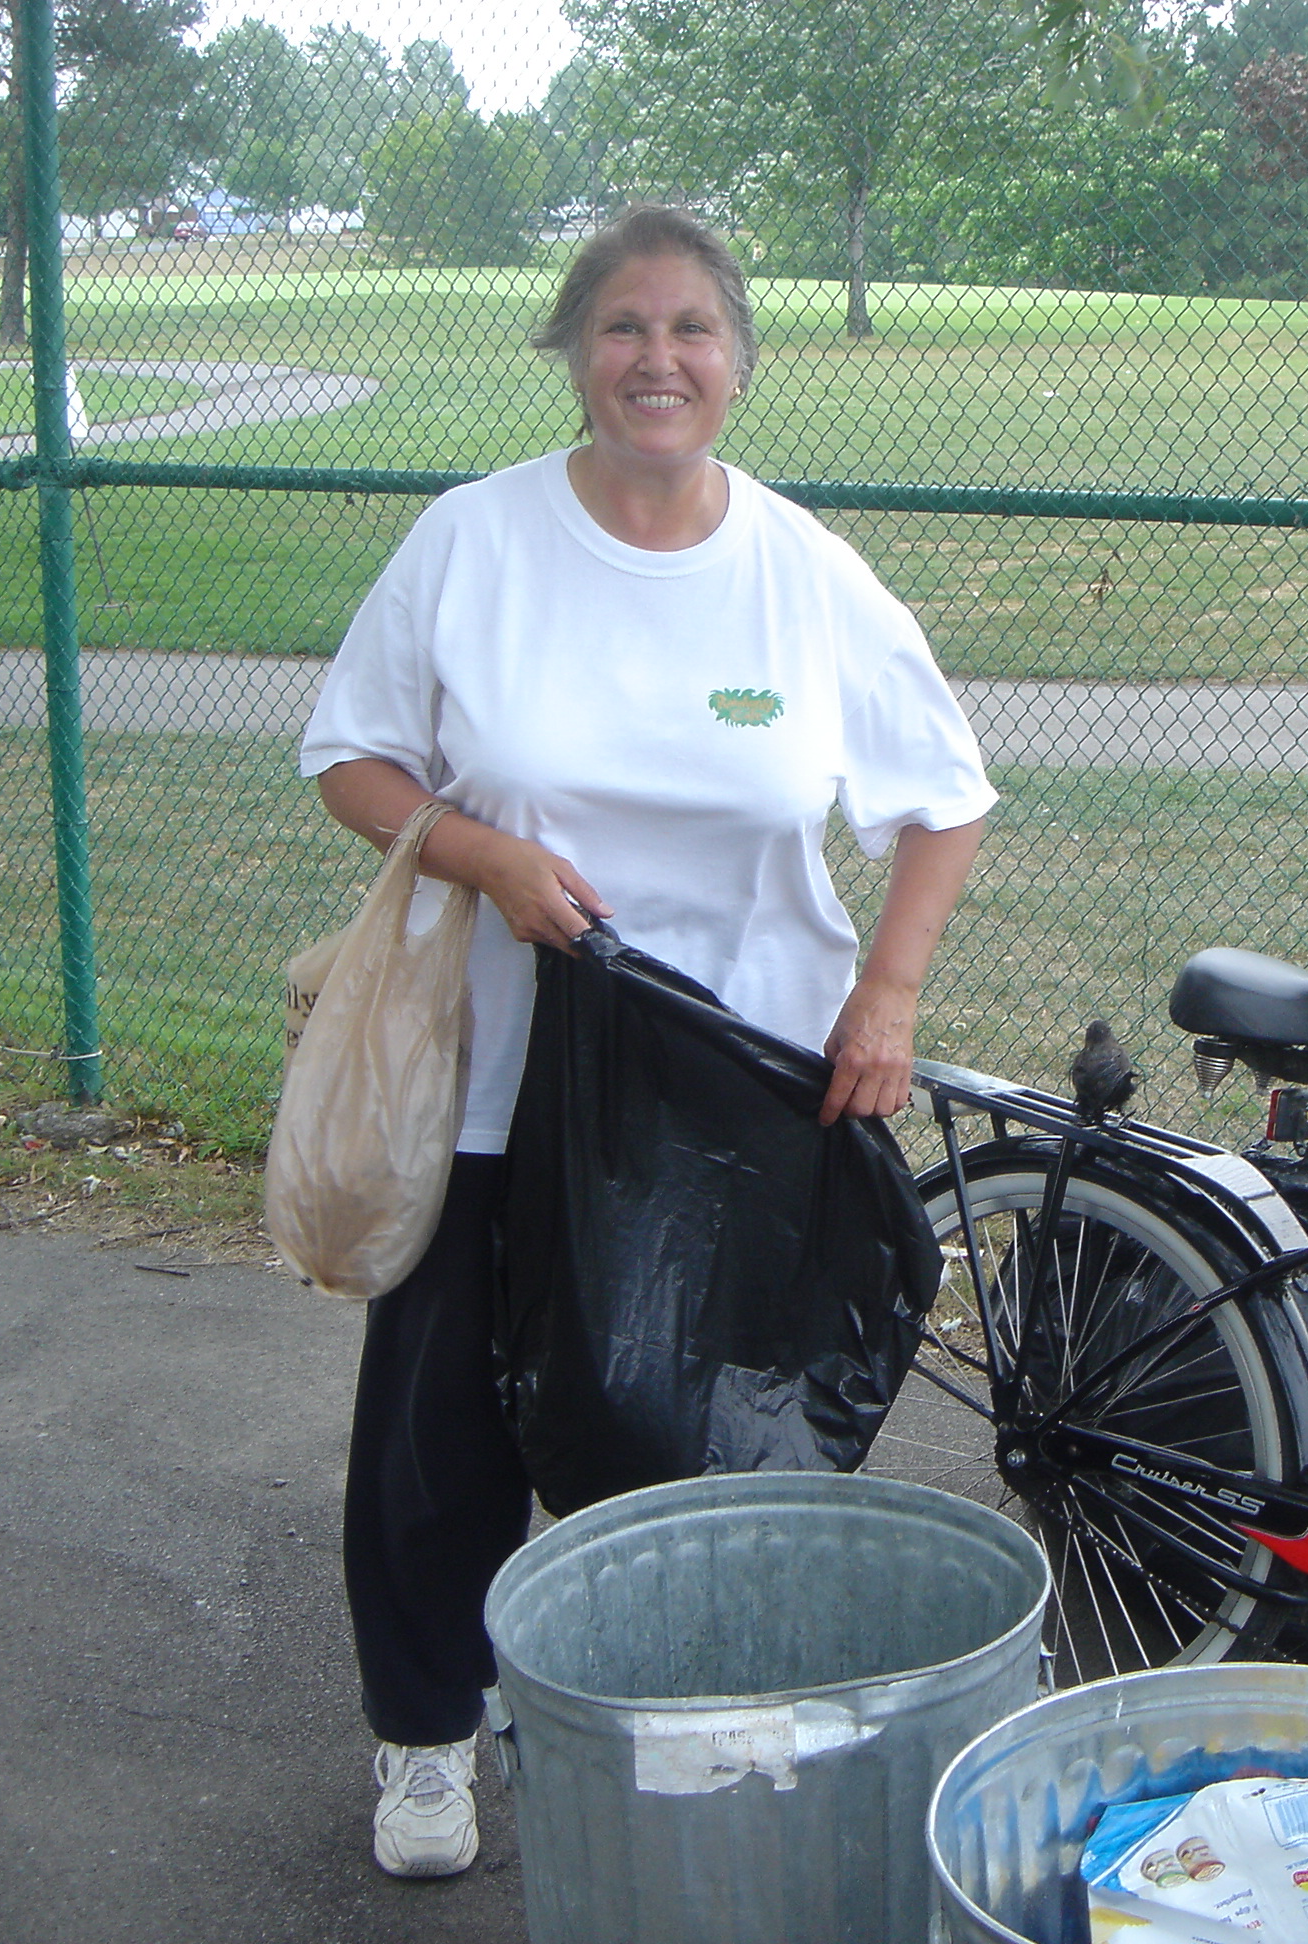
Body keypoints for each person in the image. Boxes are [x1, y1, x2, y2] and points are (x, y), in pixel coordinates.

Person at [297, 204, 995, 1879]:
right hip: (497, 1084)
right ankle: (428, 1740)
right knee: (440, 1430)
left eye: (692, 330)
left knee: (697, 1424)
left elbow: (945, 800)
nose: (657, 360)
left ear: (740, 364)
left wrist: (884, 994)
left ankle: (671, 1718)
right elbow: (353, 760)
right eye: (623, 327)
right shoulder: (474, 542)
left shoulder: (804, 572)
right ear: (572, 349)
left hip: (739, 1092)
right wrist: (486, 858)